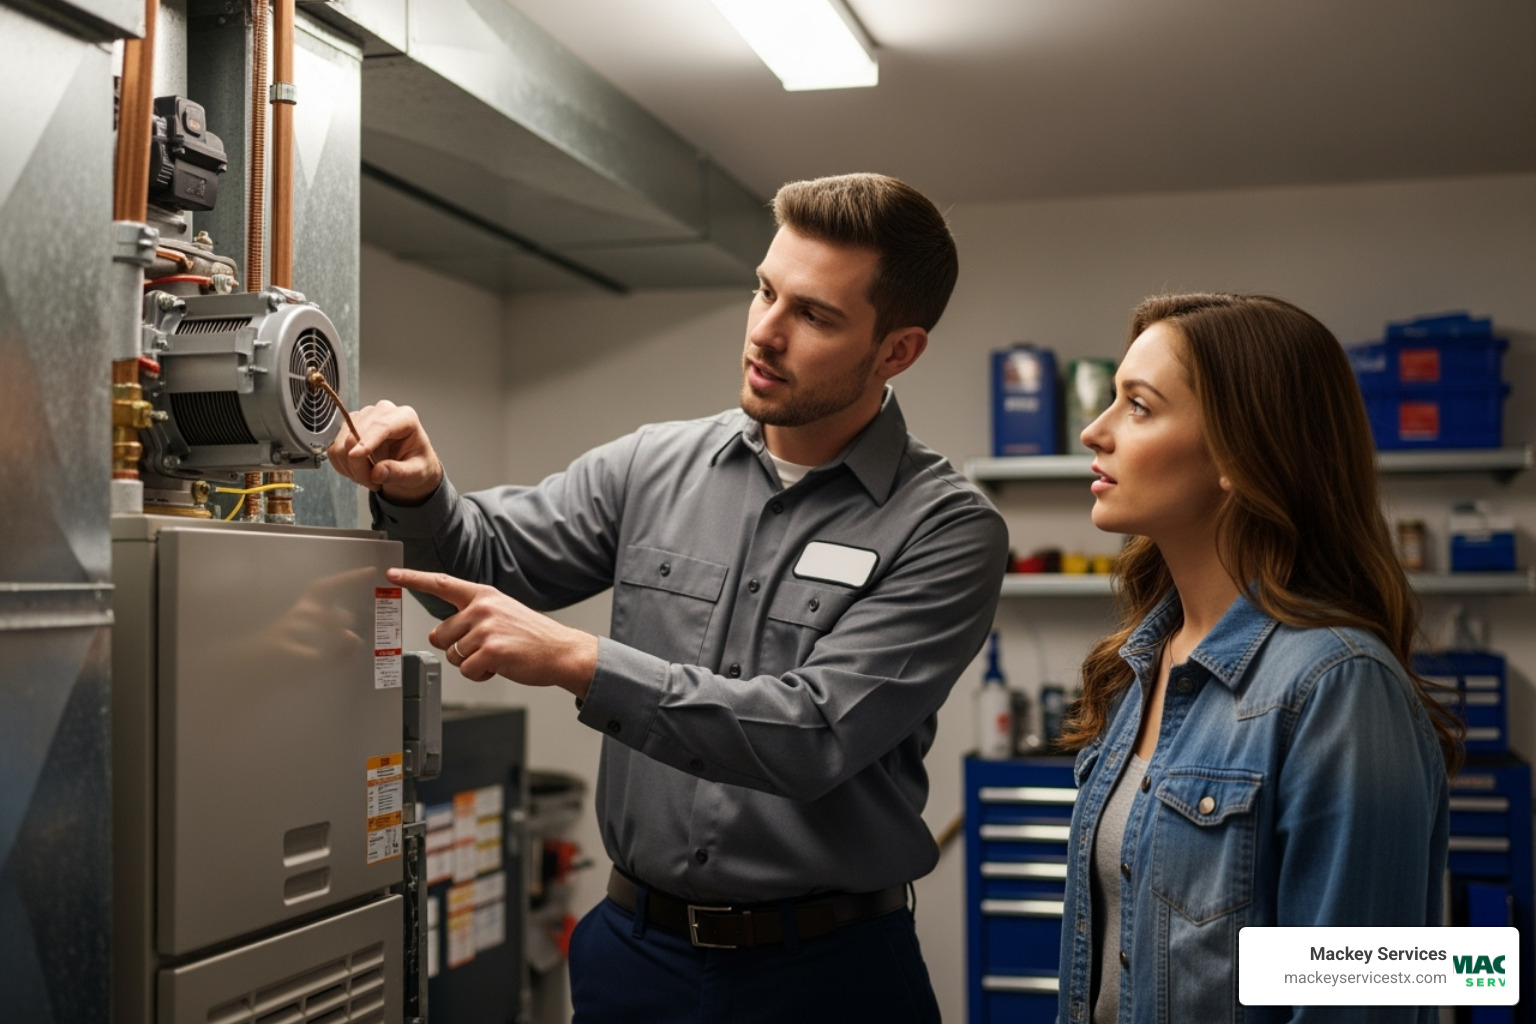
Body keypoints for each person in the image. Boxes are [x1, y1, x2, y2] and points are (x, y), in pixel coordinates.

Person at [327, 173, 1009, 1023]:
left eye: (815, 315)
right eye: (765, 291)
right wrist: (423, 492)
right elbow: (486, 561)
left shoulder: (945, 529)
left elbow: (813, 733)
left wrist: (580, 662)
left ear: (897, 351)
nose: (765, 332)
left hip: (827, 976)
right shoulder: (654, 466)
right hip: (635, 957)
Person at [1058, 293, 1460, 1024]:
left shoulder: (1339, 688)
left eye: (1139, 407)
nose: (1094, 431)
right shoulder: (1144, 664)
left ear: (1241, 456)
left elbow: (1359, 1007)